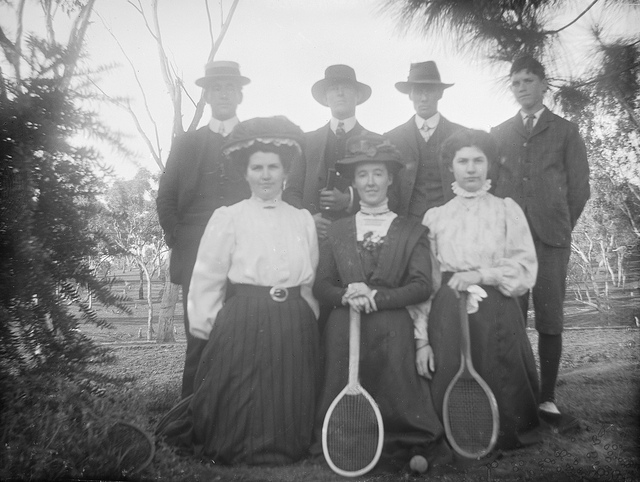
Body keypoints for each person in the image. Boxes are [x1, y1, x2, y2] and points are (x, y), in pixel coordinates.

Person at [156, 117, 320, 465]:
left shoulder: (302, 220)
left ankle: (286, 445)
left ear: (285, 172)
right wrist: (207, 328)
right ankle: (240, 445)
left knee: (286, 388)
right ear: (246, 173)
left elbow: (309, 277)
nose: (265, 175)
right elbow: (208, 277)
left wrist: (308, 315)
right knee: (243, 390)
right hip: (246, 315)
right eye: (257, 168)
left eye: (273, 167)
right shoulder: (229, 217)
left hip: (293, 317)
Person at [311, 133, 452, 473]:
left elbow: (421, 286)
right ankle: (345, 440)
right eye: (363, 174)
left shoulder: (412, 230)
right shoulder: (338, 231)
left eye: (378, 173)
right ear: (354, 182)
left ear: (390, 178)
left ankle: (402, 437)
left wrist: (377, 297)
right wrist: (345, 295)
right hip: (345, 329)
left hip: (393, 331)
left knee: (401, 403)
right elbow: (321, 285)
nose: (370, 181)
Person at [423, 128, 541, 449]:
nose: (471, 169)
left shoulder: (506, 209)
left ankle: (505, 432)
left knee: (500, 370)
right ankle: (459, 431)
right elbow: (428, 279)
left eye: (478, 160)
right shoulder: (436, 217)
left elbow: (524, 268)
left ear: (489, 165)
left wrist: (480, 275)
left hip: (496, 309)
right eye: (463, 161)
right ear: (451, 166)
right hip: (449, 310)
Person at [491, 56, 590, 431]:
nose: (522, 88)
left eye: (529, 80)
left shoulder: (565, 130)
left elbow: (579, 188)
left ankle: (547, 399)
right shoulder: (499, 133)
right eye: (516, 82)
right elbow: (492, 188)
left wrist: (559, 224)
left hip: (551, 240)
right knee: (512, 318)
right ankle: (518, 397)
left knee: (549, 318)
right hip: (511, 243)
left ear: (544, 85)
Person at [156, 60, 251, 399]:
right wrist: (179, 236)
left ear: (240, 95)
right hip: (195, 252)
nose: (223, 94)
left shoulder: (254, 139)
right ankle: (191, 416)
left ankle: (235, 415)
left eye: (230, 88)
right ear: (207, 95)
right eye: (216, 88)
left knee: (241, 337)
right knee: (199, 339)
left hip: (245, 252)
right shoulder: (188, 142)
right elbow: (166, 196)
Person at [284, 64, 372, 239]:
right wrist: (308, 221)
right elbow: (291, 192)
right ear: (325, 98)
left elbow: (389, 192)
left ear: (358, 96)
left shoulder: (374, 141)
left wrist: (349, 199)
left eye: (346, 87)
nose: (340, 93)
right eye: (333, 88)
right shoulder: (306, 141)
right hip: (314, 240)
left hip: (359, 237)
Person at [385, 61, 465, 219]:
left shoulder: (461, 135)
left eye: (429, 90)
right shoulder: (392, 138)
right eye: (418, 91)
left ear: (440, 94)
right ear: (410, 95)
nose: (423, 98)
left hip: (451, 221)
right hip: (408, 223)